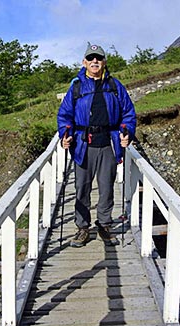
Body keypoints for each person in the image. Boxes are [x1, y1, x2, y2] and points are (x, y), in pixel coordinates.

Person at [57, 42, 137, 248]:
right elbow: (65, 115)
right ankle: (82, 228)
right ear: (84, 62)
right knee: (81, 188)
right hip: (83, 145)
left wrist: (127, 132)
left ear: (104, 62)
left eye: (99, 58)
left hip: (108, 144)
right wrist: (65, 134)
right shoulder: (76, 86)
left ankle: (104, 225)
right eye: (91, 58)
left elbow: (128, 113)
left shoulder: (115, 86)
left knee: (106, 188)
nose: (95, 61)